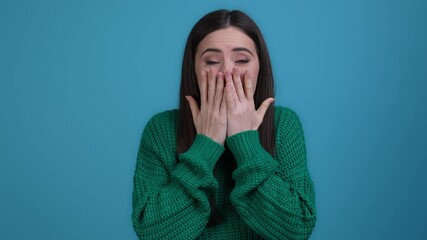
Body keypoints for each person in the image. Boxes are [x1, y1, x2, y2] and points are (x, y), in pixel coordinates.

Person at [132, 9, 316, 239]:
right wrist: (206, 145)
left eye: (241, 60)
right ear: (194, 70)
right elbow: (152, 233)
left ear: (260, 67)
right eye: (211, 61)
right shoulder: (161, 129)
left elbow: (296, 229)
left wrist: (245, 141)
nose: (227, 72)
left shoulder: (283, 124)